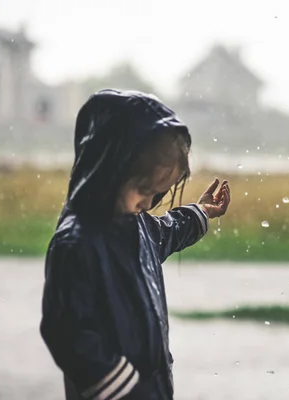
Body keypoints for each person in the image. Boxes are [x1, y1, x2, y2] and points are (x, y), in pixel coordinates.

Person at [39, 89, 231, 400]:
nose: (149, 202)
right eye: (144, 189)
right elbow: (67, 333)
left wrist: (201, 212)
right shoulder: (76, 243)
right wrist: (126, 386)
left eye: (159, 193)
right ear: (107, 169)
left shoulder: (136, 224)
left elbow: (167, 231)